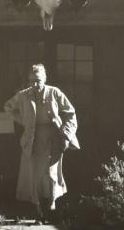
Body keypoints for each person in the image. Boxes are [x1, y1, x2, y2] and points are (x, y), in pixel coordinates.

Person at [4, 63, 80, 222]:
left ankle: (52, 207)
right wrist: (24, 121)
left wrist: (66, 135)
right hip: (32, 139)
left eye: (38, 80)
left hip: (52, 138)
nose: (35, 84)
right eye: (31, 81)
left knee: (51, 174)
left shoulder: (55, 93)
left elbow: (71, 115)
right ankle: (38, 209)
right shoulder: (24, 95)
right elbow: (8, 107)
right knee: (35, 175)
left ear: (44, 79)